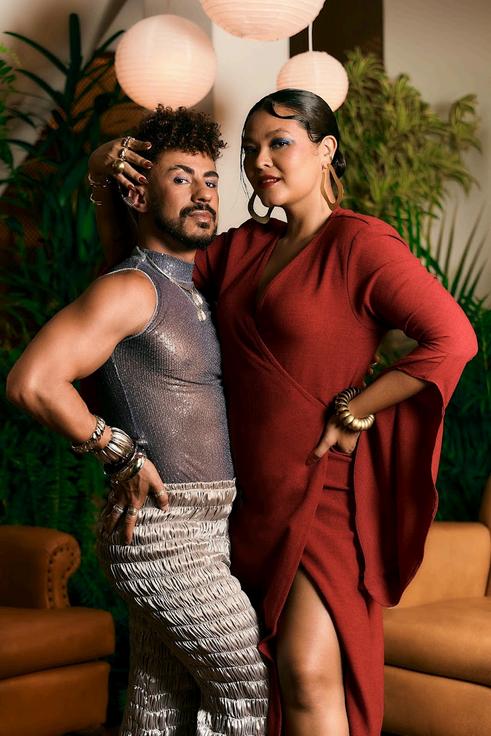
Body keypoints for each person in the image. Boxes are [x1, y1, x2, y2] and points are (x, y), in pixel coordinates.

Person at [6, 106, 269, 736]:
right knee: (248, 685)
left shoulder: (197, 286)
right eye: (181, 178)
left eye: (210, 179)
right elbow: (32, 381)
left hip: (211, 527)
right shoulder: (129, 287)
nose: (203, 193)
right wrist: (118, 451)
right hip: (159, 529)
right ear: (139, 192)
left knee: (159, 706)